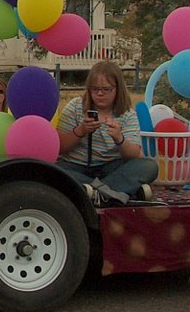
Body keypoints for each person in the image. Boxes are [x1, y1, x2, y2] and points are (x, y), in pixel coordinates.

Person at [56, 61, 157, 205]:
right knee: (56, 171)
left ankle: (92, 192)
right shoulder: (75, 107)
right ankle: (113, 192)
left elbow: (135, 154)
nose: (100, 93)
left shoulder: (127, 114)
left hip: (110, 168)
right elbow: (60, 147)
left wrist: (119, 138)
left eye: (106, 89)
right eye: (95, 89)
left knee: (149, 166)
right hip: (75, 165)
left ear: (117, 89)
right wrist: (80, 131)